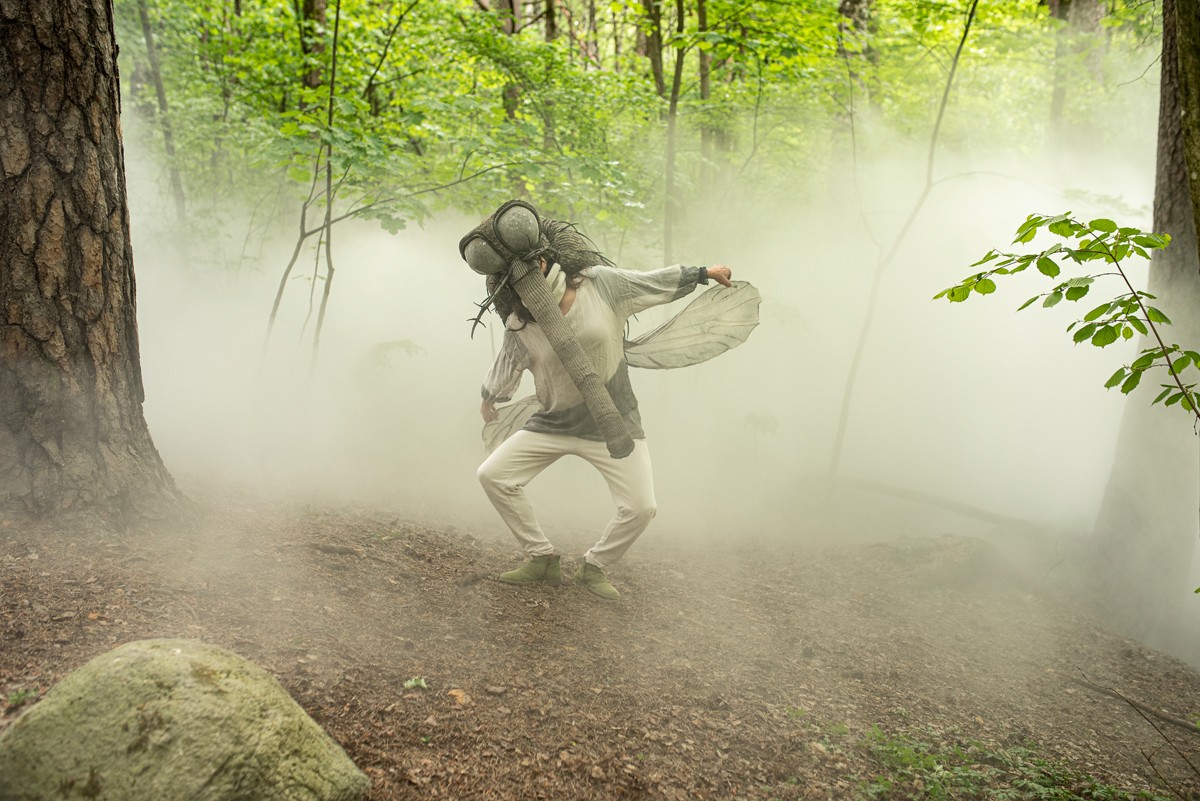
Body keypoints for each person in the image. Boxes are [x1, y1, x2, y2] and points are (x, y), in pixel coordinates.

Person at [475, 231, 733, 600]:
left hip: (613, 421)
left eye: (533, 266)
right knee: (493, 476)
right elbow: (509, 360)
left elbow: (649, 282)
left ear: (545, 260)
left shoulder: (599, 285)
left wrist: (702, 273)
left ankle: (594, 567)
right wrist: (490, 396)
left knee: (642, 508)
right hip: (554, 422)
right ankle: (541, 558)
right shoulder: (520, 320)